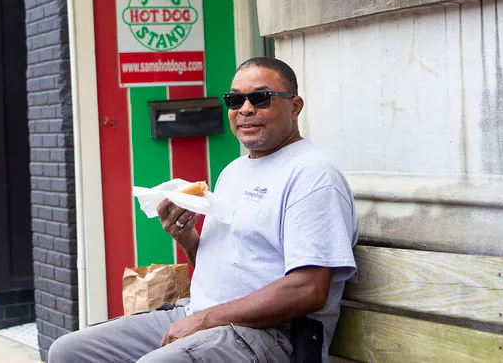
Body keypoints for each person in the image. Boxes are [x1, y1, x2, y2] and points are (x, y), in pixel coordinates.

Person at [49, 57, 358, 363]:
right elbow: (220, 267)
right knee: (69, 351)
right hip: (200, 314)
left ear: (294, 106)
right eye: (235, 100)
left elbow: (309, 289)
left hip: (272, 336)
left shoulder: (312, 174)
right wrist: (187, 238)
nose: (246, 109)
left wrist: (205, 320)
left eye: (261, 98)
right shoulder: (234, 172)